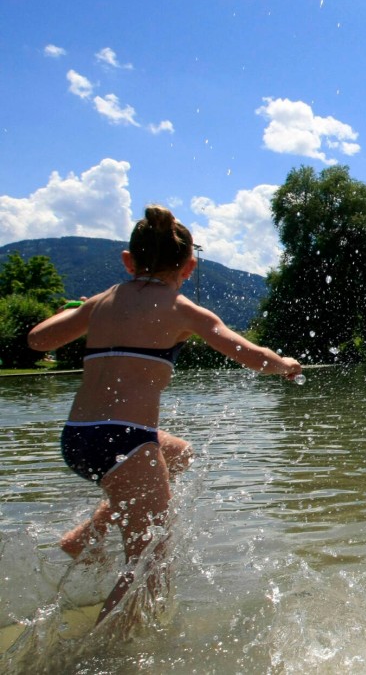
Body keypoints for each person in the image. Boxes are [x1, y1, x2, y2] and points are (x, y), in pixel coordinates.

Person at [27, 205, 302, 625]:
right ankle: (109, 659)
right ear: (189, 266)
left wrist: (81, 312)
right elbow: (252, 356)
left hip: (78, 438)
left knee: (179, 453)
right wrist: (284, 364)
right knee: (149, 565)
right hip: (125, 441)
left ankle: (86, 537)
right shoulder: (183, 310)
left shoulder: (101, 303)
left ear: (128, 260)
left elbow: (38, 340)